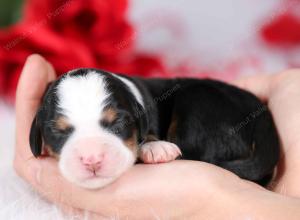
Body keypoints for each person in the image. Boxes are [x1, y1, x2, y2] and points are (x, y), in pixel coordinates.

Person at [14, 54, 300, 219]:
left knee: (192, 107)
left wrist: (213, 201)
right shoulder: (130, 103)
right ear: (38, 136)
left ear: (140, 120)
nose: (91, 157)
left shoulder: (150, 107)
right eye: (62, 134)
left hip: (231, 120)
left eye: (115, 127)